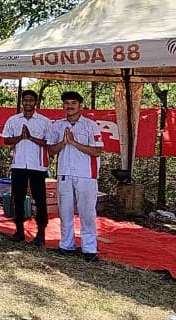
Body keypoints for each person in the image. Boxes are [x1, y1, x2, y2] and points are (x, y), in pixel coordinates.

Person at [46, 91, 104, 260]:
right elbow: (51, 150)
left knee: (87, 213)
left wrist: (74, 142)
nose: (69, 106)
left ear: (80, 106)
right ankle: (66, 246)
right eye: (66, 103)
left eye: (73, 103)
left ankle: (89, 249)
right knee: (65, 212)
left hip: (86, 174)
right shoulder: (57, 125)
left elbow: (97, 151)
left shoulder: (90, 125)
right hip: (64, 173)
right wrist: (63, 142)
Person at [2, 89, 53, 244]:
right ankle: (19, 231)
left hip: (37, 166)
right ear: (22, 102)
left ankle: (41, 233)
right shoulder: (13, 120)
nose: (28, 103)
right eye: (25, 100)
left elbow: (49, 143)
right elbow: (6, 140)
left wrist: (31, 137)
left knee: (40, 200)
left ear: (36, 102)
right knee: (18, 198)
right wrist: (20, 137)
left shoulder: (45, 121)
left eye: (31, 100)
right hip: (18, 165)